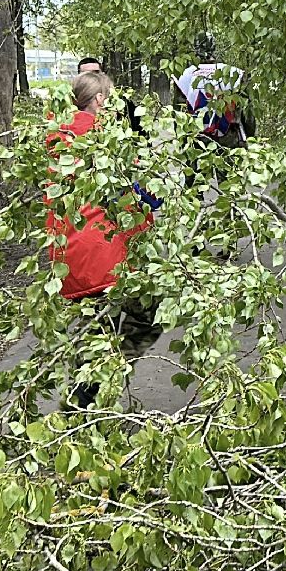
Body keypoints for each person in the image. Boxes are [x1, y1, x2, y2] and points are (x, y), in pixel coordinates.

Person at [47, 71, 164, 409]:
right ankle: (89, 399)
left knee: (95, 335)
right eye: (109, 98)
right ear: (99, 100)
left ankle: (80, 411)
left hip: (70, 256)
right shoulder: (107, 141)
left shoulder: (57, 141)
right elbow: (142, 193)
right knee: (149, 316)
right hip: (107, 255)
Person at [174, 35, 252, 150]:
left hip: (196, 141)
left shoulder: (185, 76)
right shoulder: (232, 73)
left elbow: (178, 113)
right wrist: (250, 138)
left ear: (195, 47)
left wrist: (180, 140)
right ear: (214, 47)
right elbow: (248, 114)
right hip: (229, 141)